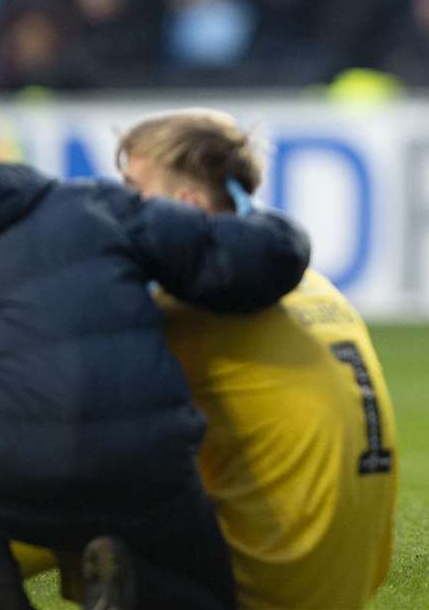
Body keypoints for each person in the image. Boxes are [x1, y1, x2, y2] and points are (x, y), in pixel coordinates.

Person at [0, 150, 311, 610]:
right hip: (147, 466)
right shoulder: (89, 204)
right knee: (197, 588)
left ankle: (2, 594)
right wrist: (277, 232)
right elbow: (232, 255)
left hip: (21, 489)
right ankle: (140, 582)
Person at [118, 108, 398, 609]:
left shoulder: (189, 313)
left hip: (264, 591)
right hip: (349, 585)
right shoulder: (314, 286)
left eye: (134, 190)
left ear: (186, 204)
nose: (118, 207)